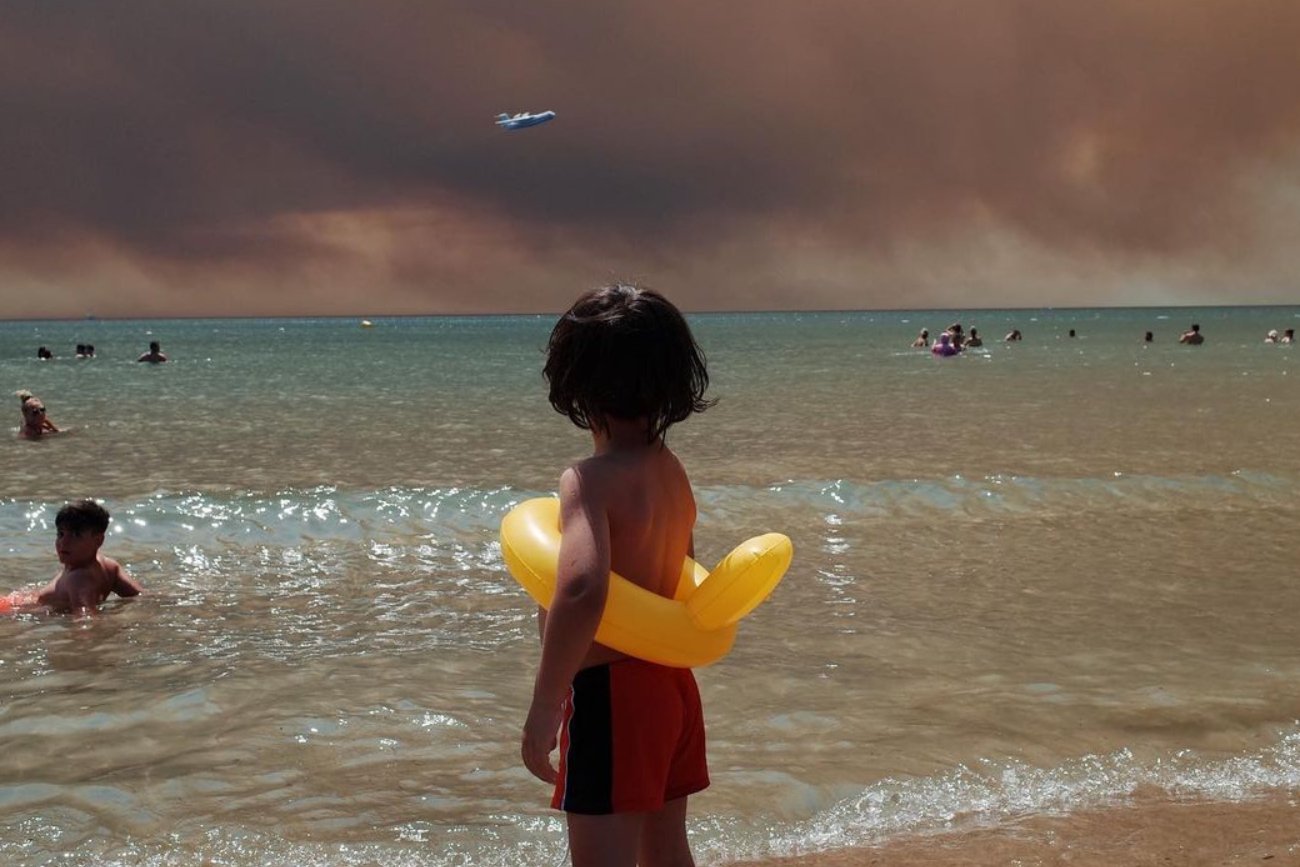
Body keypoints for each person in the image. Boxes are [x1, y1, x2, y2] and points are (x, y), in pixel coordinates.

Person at [522, 284, 713, 866]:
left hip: (609, 696)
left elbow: (582, 588)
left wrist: (546, 704)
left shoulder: (588, 479)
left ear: (573, 383)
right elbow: (683, 569)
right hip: (671, 688)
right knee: (665, 848)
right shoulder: (670, 470)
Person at [33, 500, 142, 613]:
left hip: (34, 612)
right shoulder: (109, 567)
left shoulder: (78, 578)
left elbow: (84, 621)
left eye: (76, 535)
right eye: (60, 534)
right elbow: (140, 596)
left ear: (98, 540)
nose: (63, 542)